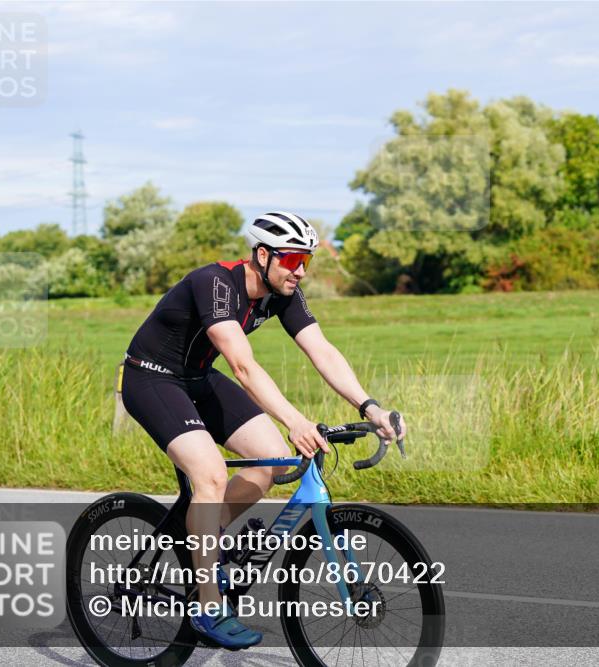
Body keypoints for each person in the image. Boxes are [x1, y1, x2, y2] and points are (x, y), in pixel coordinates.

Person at [120, 211, 405, 649]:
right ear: (263, 254)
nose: (301, 270)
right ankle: (206, 607)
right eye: (292, 260)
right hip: (150, 377)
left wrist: (369, 406)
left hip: (196, 378)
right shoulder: (215, 283)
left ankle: (203, 541)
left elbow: (322, 350)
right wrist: (294, 420)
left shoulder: (286, 294)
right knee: (211, 473)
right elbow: (243, 365)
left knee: (269, 462)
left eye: (306, 260)